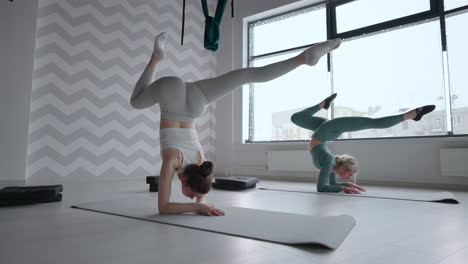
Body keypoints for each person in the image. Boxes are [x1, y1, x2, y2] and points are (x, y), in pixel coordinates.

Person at [130, 32, 341, 215]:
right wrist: (199, 205)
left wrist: (199, 205)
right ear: (185, 180)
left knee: (246, 75)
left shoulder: (201, 162)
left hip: (193, 103)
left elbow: (164, 208)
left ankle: (303, 59)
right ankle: (155, 59)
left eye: (192, 196)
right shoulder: (176, 163)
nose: (190, 198)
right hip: (174, 95)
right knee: (245, 76)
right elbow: (167, 206)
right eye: (192, 196)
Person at [290, 93, 435, 194]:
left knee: (373, 123)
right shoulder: (331, 164)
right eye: (350, 175)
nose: (349, 177)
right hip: (326, 130)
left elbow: (323, 187)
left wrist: (344, 187)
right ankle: (323, 104)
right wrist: (345, 186)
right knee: (296, 118)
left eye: (349, 175)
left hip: (326, 130)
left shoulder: (330, 163)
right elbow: (328, 186)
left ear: (343, 167)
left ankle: (412, 115)